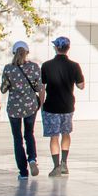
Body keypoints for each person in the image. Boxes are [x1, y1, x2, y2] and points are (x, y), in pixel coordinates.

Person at [40, 36, 84, 176]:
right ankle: (65, 163)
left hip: (51, 106)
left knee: (54, 136)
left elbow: (42, 86)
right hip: (68, 105)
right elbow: (81, 86)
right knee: (66, 133)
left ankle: (56, 165)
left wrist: (41, 104)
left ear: (56, 48)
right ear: (68, 48)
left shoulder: (46, 65)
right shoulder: (74, 66)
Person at [0, 40, 44, 178]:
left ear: (14, 53)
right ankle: (32, 159)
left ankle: (23, 172)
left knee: (17, 138)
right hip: (30, 106)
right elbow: (38, 87)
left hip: (14, 108)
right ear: (27, 53)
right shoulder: (34, 67)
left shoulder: (8, 68)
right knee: (29, 133)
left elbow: (3, 89)